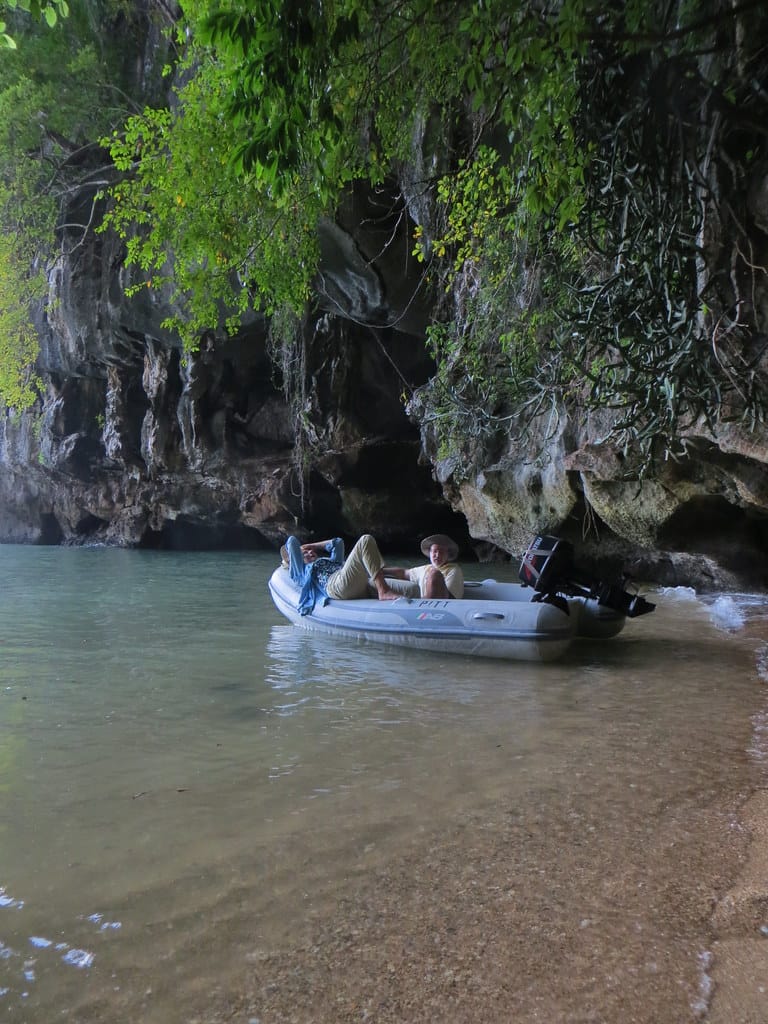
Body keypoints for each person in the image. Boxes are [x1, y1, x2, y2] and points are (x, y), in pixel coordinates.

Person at [282, 534, 402, 616]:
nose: (310, 552)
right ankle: (383, 591)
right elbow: (292, 541)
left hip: (354, 582)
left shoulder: (331, 561)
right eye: (305, 553)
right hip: (335, 585)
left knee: (409, 589)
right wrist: (298, 551)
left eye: (310, 551)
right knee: (365, 540)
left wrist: (312, 546)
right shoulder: (300, 572)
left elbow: (338, 543)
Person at [382, 533, 464, 599]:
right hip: (424, 604)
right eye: (435, 551)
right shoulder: (426, 568)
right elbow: (403, 572)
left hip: (441, 607)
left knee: (434, 574)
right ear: (430, 553)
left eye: (441, 552)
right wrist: (380, 570)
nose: (437, 555)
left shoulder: (453, 569)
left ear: (448, 555)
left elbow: (451, 597)